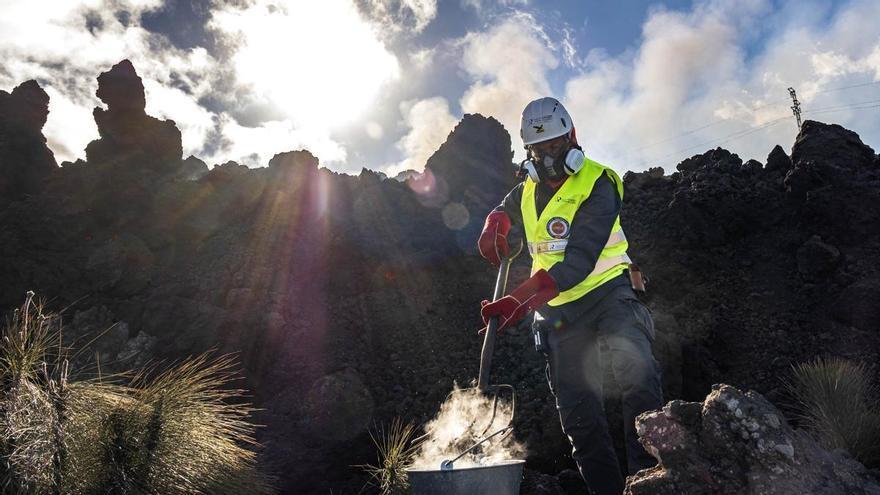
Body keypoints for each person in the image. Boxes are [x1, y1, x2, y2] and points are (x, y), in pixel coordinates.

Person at [477, 97, 663, 495]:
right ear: (528, 152)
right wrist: (495, 221)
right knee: (579, 418)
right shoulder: (527, 189)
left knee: (637, 375)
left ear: (572, 137)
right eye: (538, 150)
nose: (547, 158)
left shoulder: (600, 181)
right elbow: (506, 207)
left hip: (608, 292)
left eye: (556, 146)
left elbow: (579, 259)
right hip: (559, 311)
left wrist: (518, 301)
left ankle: (650, 483)